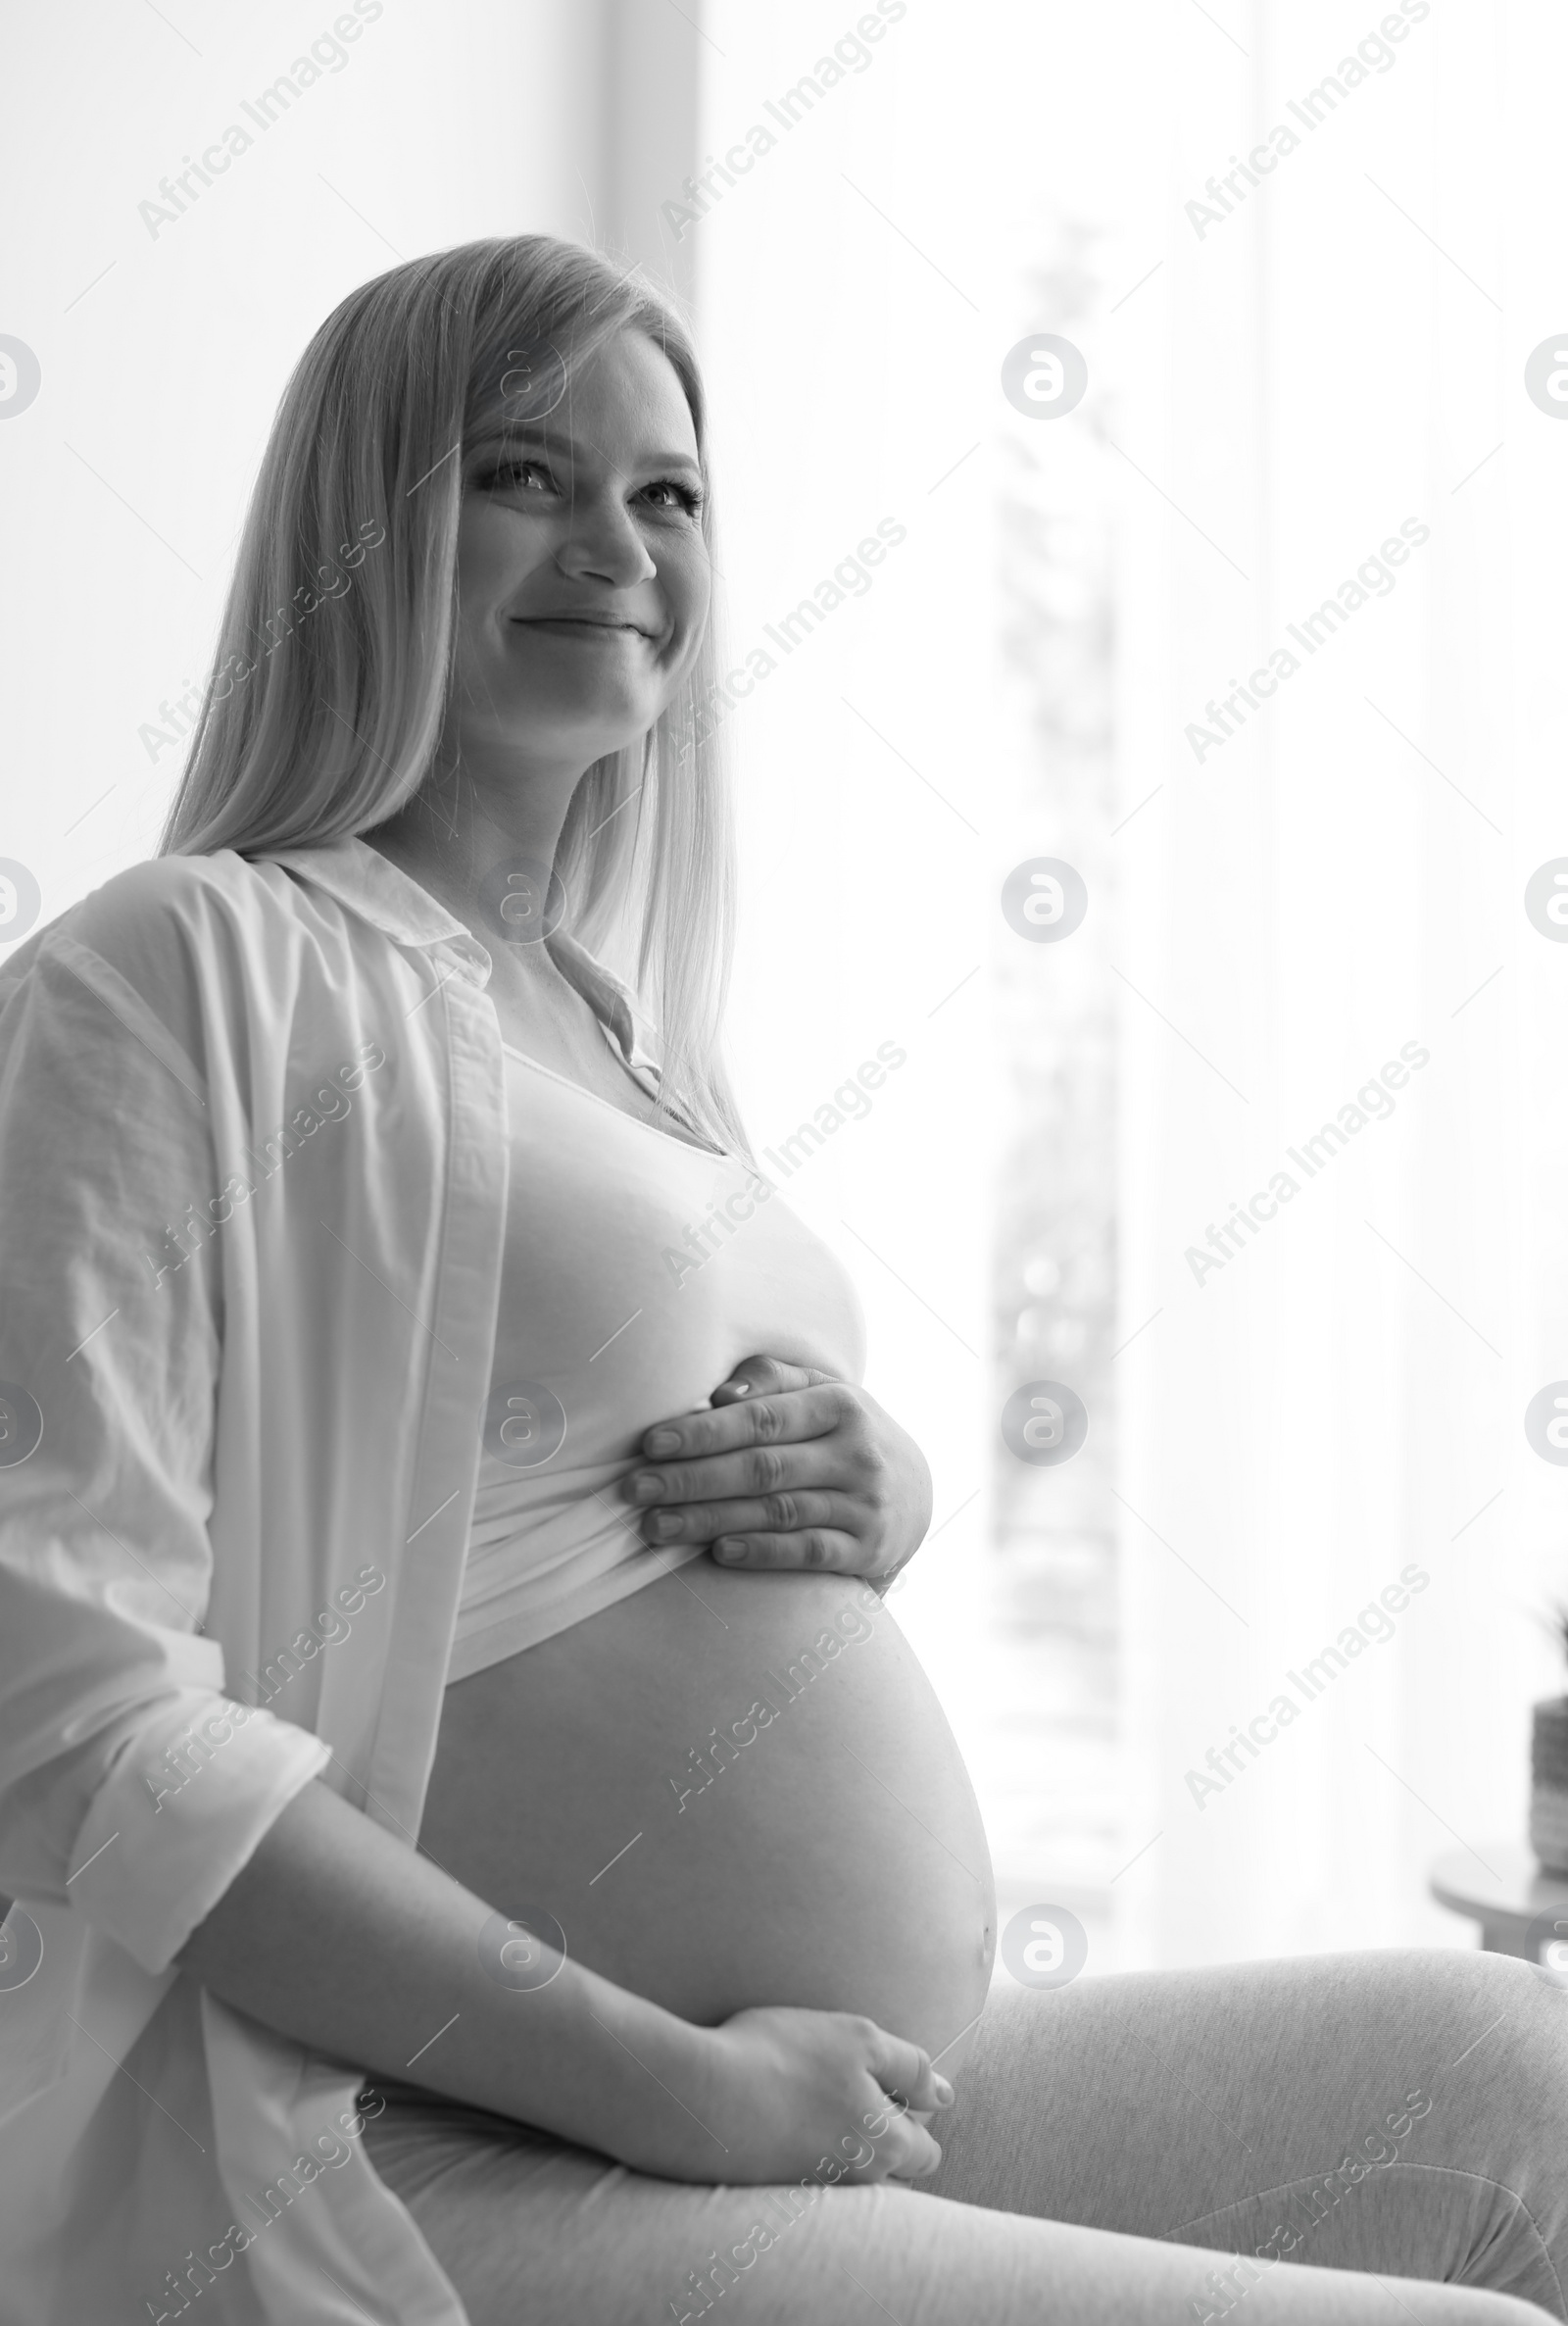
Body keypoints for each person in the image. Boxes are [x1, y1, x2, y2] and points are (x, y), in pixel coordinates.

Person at [0, 236, 1563, 2326]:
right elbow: (64, 1717)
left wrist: (877, 1489)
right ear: (364, 523)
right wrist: (674, 2086)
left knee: (1508, 2079)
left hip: (783, 2088)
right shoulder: (176, 967)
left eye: (668, 494)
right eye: (525, 473)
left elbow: (561, 1498)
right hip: (425, 2131)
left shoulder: (618, 1035)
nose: (618, 545)